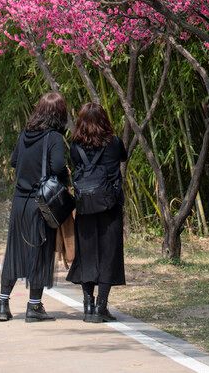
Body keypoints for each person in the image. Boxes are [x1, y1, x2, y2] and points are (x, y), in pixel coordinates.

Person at [0, 91, 69, 324]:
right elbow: (58, 166)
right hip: (41, 203)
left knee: (15, 252)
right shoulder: (55, 138)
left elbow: (14, 161)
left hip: (20, 201)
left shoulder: (24, 134)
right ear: (59, 114)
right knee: (40, 251)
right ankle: (34, 306)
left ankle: (3, 303)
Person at [67, 102, 127, 322]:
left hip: (85, 207)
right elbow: (124, 156)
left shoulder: (75, 145)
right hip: (109, 205)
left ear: (81, 121)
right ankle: (101, 307)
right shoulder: (114, 142)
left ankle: (87, 305)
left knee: (87, 253)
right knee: (109, 253)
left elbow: (76, 166)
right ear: (104, 120)